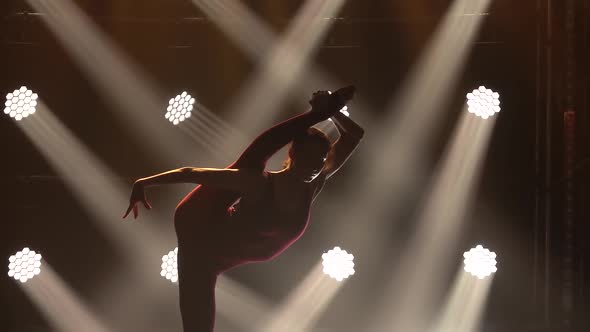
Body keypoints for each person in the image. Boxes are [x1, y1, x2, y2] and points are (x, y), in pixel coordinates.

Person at [123, 86, 363, 331]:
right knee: (254, 156)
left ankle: (317, 113)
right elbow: (193, 174)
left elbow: (355, 135)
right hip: (200, 239)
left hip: (218, 261)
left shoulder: (314, 184)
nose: (315, 166)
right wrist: (144, 182)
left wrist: (334, 112)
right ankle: (314, 114)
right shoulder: (256, 182)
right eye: (308, 158)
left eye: (320, 159)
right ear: (293, 153)